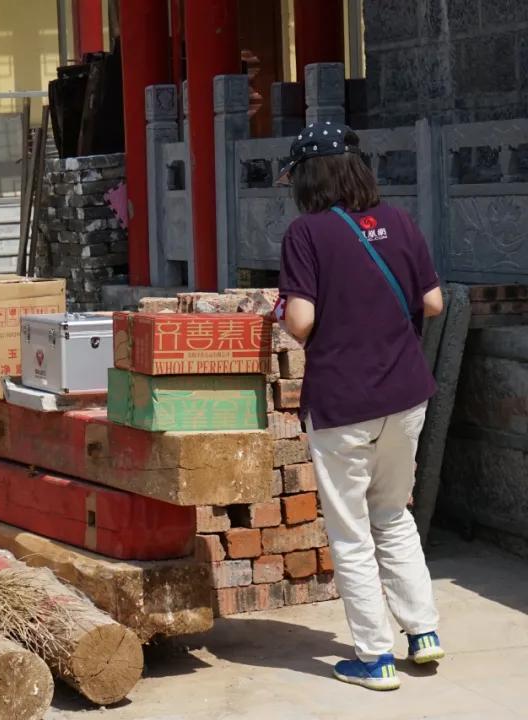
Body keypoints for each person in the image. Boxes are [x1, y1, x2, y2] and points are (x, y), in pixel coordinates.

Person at [274, 122, 446, 691]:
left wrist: (284, 315)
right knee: (393, 514)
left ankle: (375, 659)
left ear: (308, 177)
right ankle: (423, 633)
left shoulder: (307, 233)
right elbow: (434, 302)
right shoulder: (398, 220)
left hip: (344, 402)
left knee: (350, 531)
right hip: (406, 396)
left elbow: (301, 320)